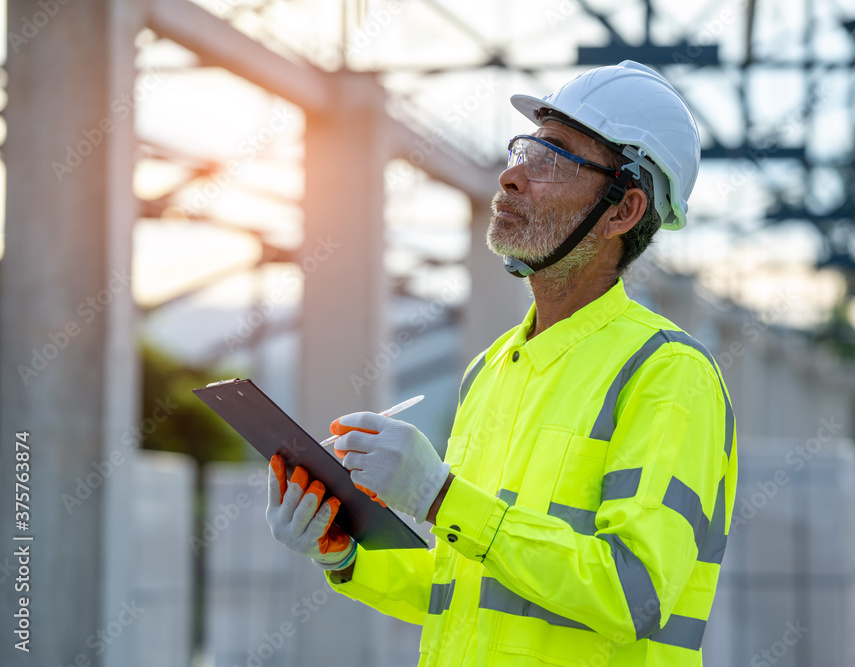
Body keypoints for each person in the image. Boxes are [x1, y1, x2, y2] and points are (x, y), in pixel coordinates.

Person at [265, 60, 738, 667]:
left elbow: (633, 593)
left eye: (552, 160)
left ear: (622, 212)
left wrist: (440, 496)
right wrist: (343, 548)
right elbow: (467, 583)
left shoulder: (667, 373)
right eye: (523, 151)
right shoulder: (496, 366)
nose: (512, 176)